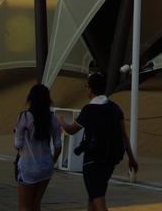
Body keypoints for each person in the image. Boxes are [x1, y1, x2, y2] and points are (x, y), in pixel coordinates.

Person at [59, 72, 138, 211]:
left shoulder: (89, 110)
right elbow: (124, 135)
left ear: (90, 89)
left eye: (86, 86)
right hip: (110, 159)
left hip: (93, 160)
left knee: (97, 196)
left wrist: (61, 121)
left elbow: (71, 130)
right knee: (94, 195)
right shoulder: (115, 108)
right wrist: (131, 158)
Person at [13, 83, 62, 211]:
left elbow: (17, 144)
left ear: (31, 99)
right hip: (46, 166)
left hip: (28, 167)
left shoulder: (24, 116)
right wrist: (52, 161)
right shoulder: (53, 119)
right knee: (36, 204)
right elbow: (58, 146)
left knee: (24, 207)